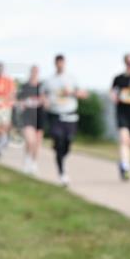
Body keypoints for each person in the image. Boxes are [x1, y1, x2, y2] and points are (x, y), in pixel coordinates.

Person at [43, 54, 88, 186]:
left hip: (70, 114)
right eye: (58, 63)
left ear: (64, 63)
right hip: (55, 114)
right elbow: (43, 95)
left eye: (62, 63)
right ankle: (62, 172)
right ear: (55, 64)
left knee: (67, 142)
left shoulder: (72, 78)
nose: (60, 65)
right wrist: (45, 102)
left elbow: (83, 94)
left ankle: (60, 152)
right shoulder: (49, 80)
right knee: (58, 138)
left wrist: (72, 93)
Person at [110, 54, 130, 181]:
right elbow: (112, 91)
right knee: (124, 139)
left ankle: (124, 161)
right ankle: (125, 167)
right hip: (122, 111)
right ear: (125, 63)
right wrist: (114, 97)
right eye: (128, 62)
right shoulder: (118, 78)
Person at [17, 65, 46, 175]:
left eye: (36, 71)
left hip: (39, 116)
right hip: (27, 116)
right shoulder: (24, 86)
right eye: (33, 71)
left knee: (37, 143)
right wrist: (23, 103)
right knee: (30, 141)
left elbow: (45, 100)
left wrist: (40, 100)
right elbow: (18, 100)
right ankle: (27, 160)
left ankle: (34, 162)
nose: (34, 73)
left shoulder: (42, 86)